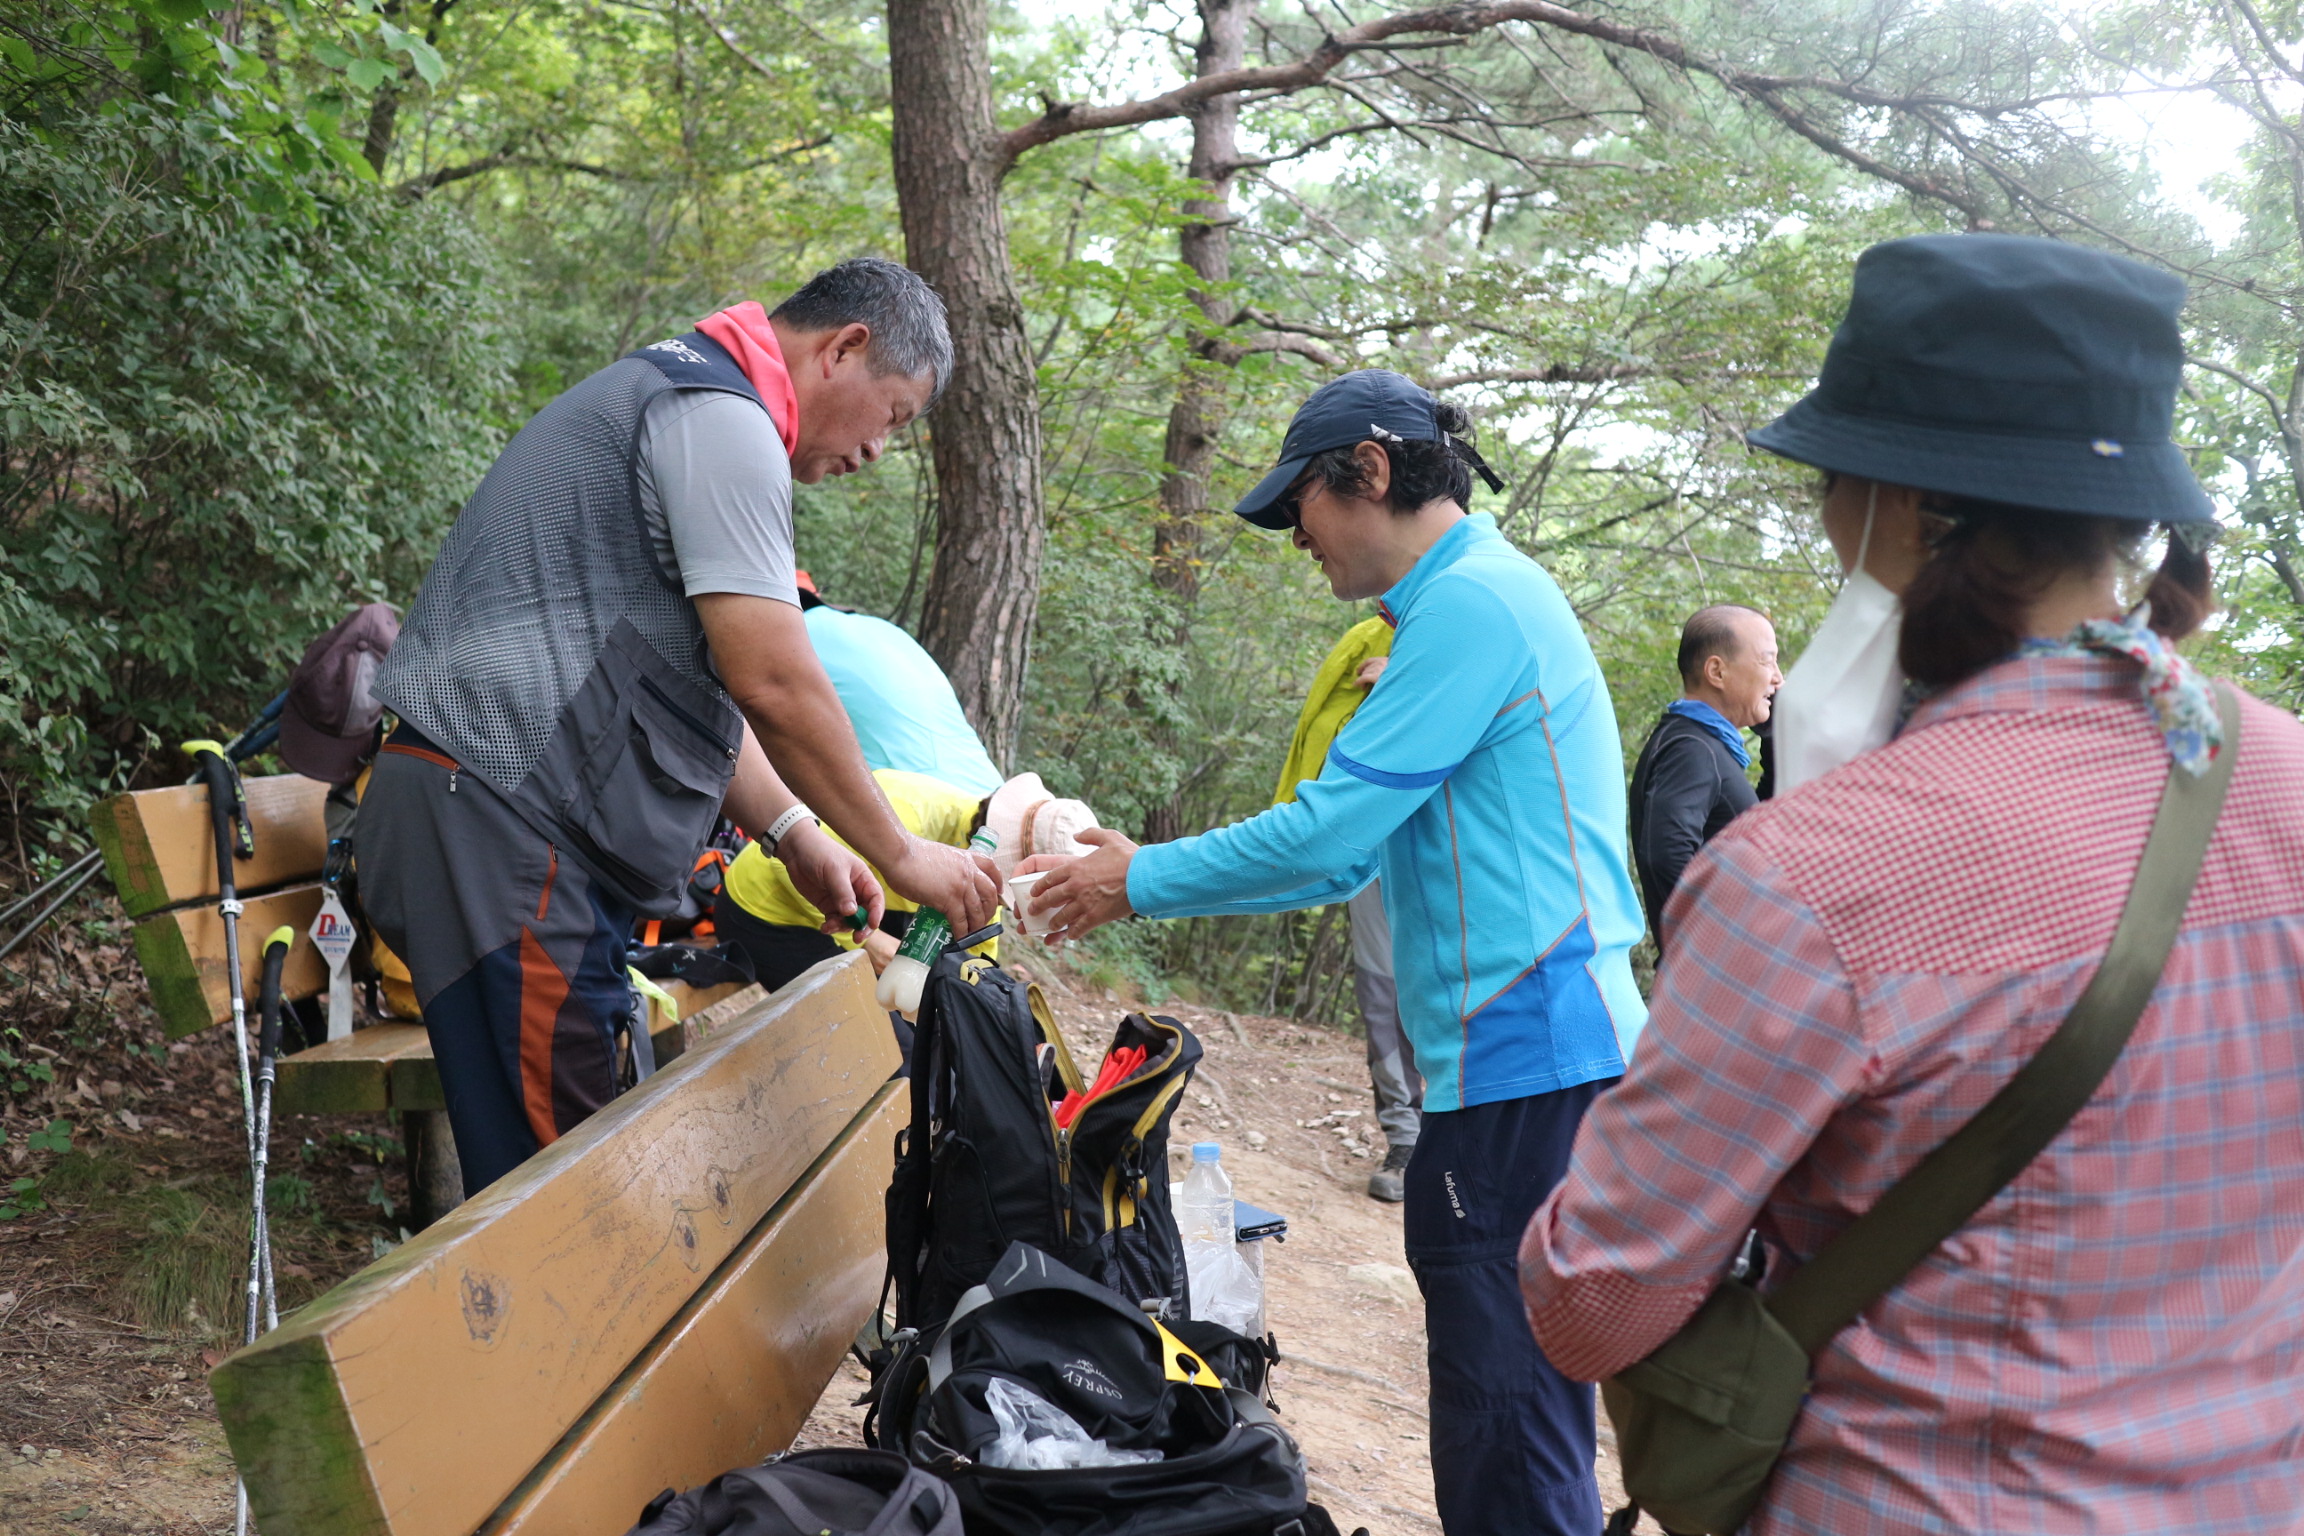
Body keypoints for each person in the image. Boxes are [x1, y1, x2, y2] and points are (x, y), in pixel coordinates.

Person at [1521, 234, 2304, 1532]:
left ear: (1908, 512)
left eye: (1833, 483)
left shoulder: (1809, 875)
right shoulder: (2283, 777)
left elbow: (1591, 1303)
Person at [1022, 370, 1647, 1536]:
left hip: (1525, 1058)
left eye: (1296, 505)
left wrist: (1135, 879)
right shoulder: (1463, 603)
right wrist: (1141, 877)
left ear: (1367, 470)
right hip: (1533, 1058)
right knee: (1514, 1409)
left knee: (1507, 1424)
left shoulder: (1473, 607)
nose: (1293, 536)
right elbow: (1339, 863)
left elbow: (1328, 834)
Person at [361, 259, 998, 1195]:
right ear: (844, 349)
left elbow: (689, 687)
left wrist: (795, 834)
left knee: (551, 1173)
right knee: (567, 1203)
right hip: (508, 830)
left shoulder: (688, 400)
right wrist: (902, 856)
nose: (877, 450)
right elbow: (774, 680)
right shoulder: (721, 420)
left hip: (497, 824)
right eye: (893, 416)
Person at [1271, 616, 1422, 1201]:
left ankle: (1451, 1138)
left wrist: (1405, 680)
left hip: (1452, 852)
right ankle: (1405, 1138)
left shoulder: (1469, 616)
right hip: (1371, 845)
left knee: (1450, 990)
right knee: (1382, 992)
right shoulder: (1364, 639)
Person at [1626, 604, 1780, 949]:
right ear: (1716, 672)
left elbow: (1757, 827)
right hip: (1712, 971)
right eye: (1767, 661)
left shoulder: (1702, 744)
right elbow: (1665, 853)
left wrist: (1773, 735)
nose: (1777, 678)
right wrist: (1715, 946)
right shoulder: (1690, 748)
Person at [796, 572, 1004, 797]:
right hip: (994, 796)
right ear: (817, 597)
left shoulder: (795, 634)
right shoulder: (882, 629)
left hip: (920, 802)